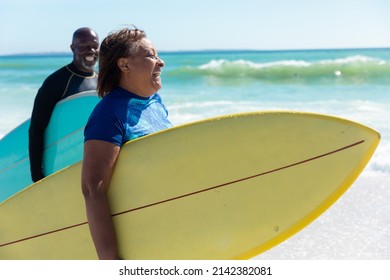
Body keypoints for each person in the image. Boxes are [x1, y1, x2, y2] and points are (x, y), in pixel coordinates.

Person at [81, 27, 172, 260]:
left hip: (164, 226)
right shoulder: (109, 112)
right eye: (151, 55)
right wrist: (110, 261)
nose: (160, 62)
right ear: (124, 64)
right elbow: (93, 189)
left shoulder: (155, 103)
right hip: (138, 235)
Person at [28, 27, 99, 182]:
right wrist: (37, 175)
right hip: (62, 163)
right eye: (84, 46)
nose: (91, 50)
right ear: (73, 48)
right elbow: (36, 128)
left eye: (95, 46)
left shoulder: (101, 81)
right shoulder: (57, 81)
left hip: (88, 162)